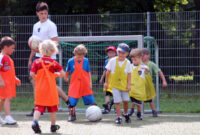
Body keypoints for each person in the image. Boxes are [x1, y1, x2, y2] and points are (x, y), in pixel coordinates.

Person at [27, 1, 68, 117]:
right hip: (37, 58)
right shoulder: (36, 26)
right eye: (41, 13)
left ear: (47, 13)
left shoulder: (51, 25)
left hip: (49, 58)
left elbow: (56, 42)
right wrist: (31, 58)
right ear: (37, 13)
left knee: (50, 84)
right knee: (36, 83)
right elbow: (34, 44)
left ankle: (67, 100)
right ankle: (38, 107)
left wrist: (46, 48)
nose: (43, 15)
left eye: (45, 13)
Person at [30, 40, 66, 133]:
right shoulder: (54, 63)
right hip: (51, 89)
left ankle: (35, 122)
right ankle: (53, 126)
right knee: (53, 108)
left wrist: (38, 77)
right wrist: (56, 75)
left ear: (41, 50)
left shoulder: (37, 62)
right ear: (53, 51)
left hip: (40, 89)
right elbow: (62, 74)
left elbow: (32, 74)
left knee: (38, 107)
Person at [66, 44, 96, 122]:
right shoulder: (70, 61)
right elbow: (67, 71)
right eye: (78, 56)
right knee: (71, 101)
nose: (80, 58)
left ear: (84, 55)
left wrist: (90, 82)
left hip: (85, 84)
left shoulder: (86, 61)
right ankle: (72, 115)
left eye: (81, 56)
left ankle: (96, 114)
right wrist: (66, 77)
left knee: (92, 101)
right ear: (74, 53)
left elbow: (89, 72)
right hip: (74, 84)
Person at [104, 43, 132, 124]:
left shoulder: (128, 62)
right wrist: (106, 82)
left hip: (124, 85)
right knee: (117, 101)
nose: (120, 54)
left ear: (127, 54)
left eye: (123, 53)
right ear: (117, 51)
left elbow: (129, 74)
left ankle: (126, 114)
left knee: (126, 101)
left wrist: (129, 84)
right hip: (115, 85)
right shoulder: (112, 61)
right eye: (119, 52)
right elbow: (108, 72)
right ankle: (119, 117)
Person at [0, 36, 21, 125]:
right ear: (5, 47)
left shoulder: (8, 58)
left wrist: (15, 78)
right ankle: (8, 117)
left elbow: (9, 70)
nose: (13, 50)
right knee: (8, 98)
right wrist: (1, 81)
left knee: (3, 99)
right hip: (4, 83)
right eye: (12, 48)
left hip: (9, 83)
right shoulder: (2, 57)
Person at [141, 48, 167, 117]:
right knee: (136, 98)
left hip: (148, 85)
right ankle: (132, 110)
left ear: (148, 55)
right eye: (141, 56)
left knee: (150, 99)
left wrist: (164, 81)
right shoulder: (138, 63)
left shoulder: (151, 64)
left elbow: (159, 72)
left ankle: (154, 111)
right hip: (140, 85)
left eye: (144, 55)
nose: (142, 57)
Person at [128, 48, 149, 120]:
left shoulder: (142, 67)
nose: (134, 61)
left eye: (135, 60)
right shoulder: (130, 66)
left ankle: (139, 114)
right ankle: (131, 111)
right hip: (131, 90)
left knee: (138, 104)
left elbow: (147, 70)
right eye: (132, 60)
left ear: (140, 58)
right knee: (133, 101)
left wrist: (146, 69)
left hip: (139, 91)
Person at [99, 46, 116, 114]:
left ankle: (116, 108)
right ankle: (107, 108)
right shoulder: (106, 61)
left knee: (116, 94)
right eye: (109, 53)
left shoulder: (117, 60)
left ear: (115, 53)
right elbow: (105, 70)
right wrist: (102, 78)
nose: (110, 54)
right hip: (108, 80)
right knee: (107, 94)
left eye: (112, 52)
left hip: (115, 80)